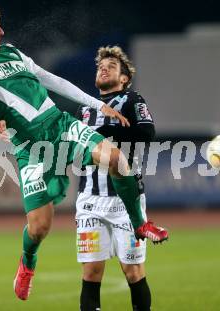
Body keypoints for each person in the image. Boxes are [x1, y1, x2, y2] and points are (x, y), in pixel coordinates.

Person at [0, 5, 168, 301]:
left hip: (59, 124)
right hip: (30, 148)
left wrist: (97, 104)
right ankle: (27, 263)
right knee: (39, 227)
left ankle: (140, 223)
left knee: (116, 159)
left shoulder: (13, 53)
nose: (1, 31)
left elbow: (51, 80)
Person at [76, 46, 155, 311]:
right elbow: (75, 149)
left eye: (111, 66)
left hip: (125, 202)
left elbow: (146, 132)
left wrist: (100, 138)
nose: (104, 68)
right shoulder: (85, 107)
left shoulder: (133, 100)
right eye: (101, 66)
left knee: (132, 271)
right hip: (89, 200)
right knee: (91, 272)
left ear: (124, 78)